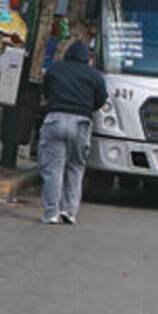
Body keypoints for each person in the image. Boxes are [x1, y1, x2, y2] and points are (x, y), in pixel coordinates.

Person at [38, 40, 107, 225]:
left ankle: (51, 213)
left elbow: (46, 91)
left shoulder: (55, 69)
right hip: (81, 123)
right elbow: (101, 99)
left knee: (53, 168)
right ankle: (69, 211)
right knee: (76, 167)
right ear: (88, 58)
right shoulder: (95, 75)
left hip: (55, 119)